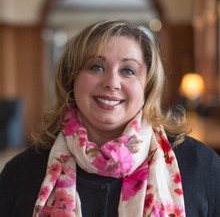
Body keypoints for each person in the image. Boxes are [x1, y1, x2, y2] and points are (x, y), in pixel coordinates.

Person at [0, 19, 219, 217]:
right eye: (97, 67)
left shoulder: (202, 167)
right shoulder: (20, 173)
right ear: (71, 79)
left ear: (148, 87)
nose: (112, 82)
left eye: (128, 71)